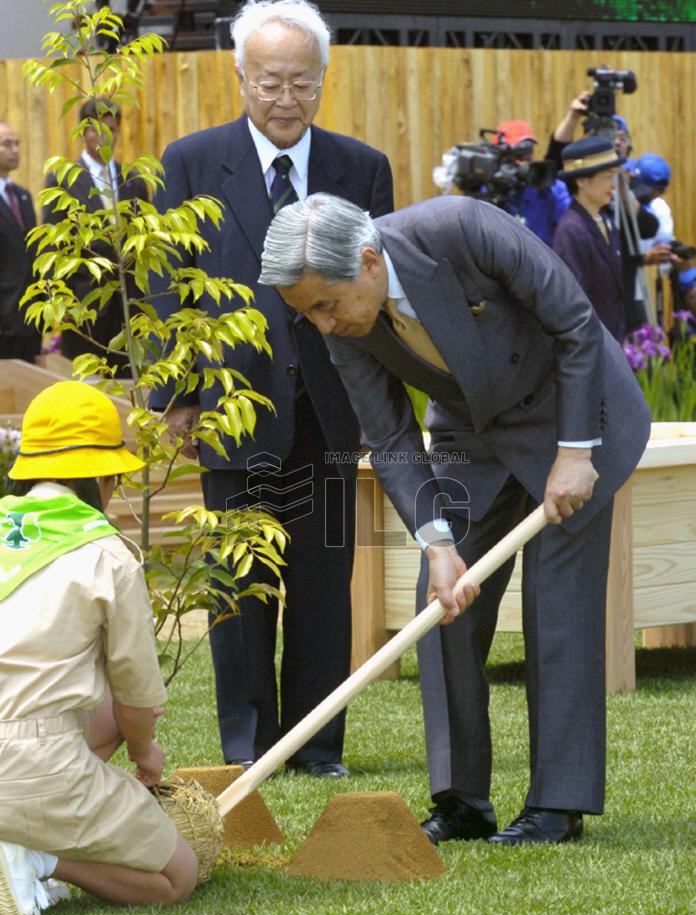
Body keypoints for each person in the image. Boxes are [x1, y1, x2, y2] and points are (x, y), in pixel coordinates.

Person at [259, 192, 651, 846]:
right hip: (472, 431)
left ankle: (558, 804)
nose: (322, 325)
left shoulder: (462, 229)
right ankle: (462, 799)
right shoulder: (344, 323)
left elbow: (577, 324)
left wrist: (576, 452)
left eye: (325, 304)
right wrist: (436, 540)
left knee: (556, 602)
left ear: (367, 262)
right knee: (440, 601)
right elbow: (388, 434)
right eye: (307, 314)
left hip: (576, 416)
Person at [149, 0, 394, 776]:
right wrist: (180, 394)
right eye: (269, 82)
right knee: (239, 592)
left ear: (322, 80)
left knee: (324, 592)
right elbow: (167, 286)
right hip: (233, 407)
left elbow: (377, 293)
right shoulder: (190, 162)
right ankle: (250, 746)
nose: (285, 99)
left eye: (301, 82)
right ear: (240, 77)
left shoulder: (362, 168)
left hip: (330, 409)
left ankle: (317, 745)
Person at [0, 381, 197, 915]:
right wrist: (145, 753)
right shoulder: (108, 557)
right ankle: (42, 856)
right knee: (175, 878)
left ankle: (23, 834)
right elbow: (135, 700)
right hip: (40, 762)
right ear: (102, 474)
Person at [43, 98, 148, 369]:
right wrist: (59, 300)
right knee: (85, 387)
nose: (104, 137)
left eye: (111, 130)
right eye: (97, 130)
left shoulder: (133, 180)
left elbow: (143, 242)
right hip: (83, 306)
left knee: (129, 384)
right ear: (83, 132)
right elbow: (52, 246)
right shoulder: (63, 181)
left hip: (128, 307)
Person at [552, 136, 626, 342]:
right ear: (582, 180)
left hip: (614, 340)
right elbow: (574, 302)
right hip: (594, 344)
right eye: (607, 176)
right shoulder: (571, 230)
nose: (613, 184)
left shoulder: (606, 220)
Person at [492, 119, 570, 246]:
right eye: (518, 154)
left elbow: (570, 224)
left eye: (528, 153)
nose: (524, 162)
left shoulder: (547, 185)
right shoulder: (488, 188)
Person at [0, 121, 39, 363]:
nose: (15, 150)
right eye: (7, 144)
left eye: (17, 144)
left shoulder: (23, 196)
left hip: (28, 320)